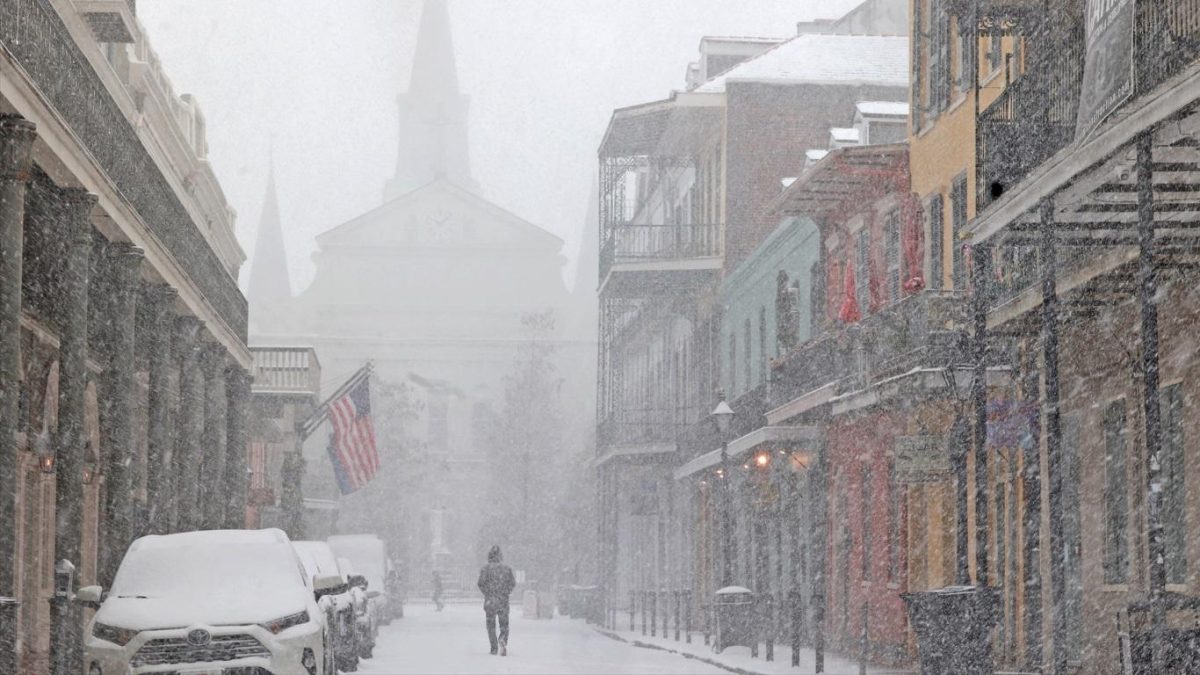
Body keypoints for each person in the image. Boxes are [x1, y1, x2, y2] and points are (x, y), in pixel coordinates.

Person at [477, 545, 516, 656]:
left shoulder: (485, 569)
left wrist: (488, 593)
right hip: (503, 600)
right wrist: (505, 592)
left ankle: (493, 647)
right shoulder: (507, 569)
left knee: (491, 624)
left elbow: (480, 584)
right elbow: (512, 583)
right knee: (504, 624)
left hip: (490, 601)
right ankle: (503, 639)